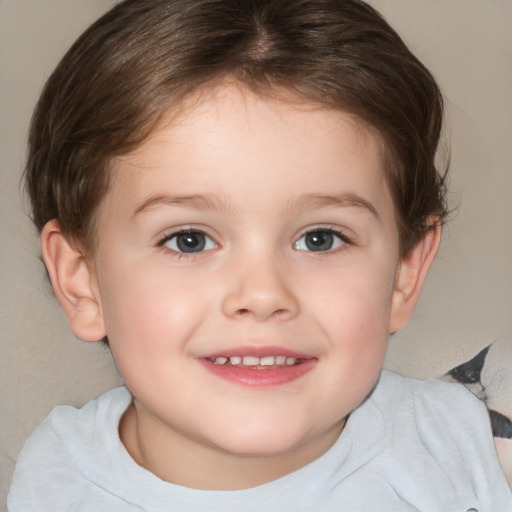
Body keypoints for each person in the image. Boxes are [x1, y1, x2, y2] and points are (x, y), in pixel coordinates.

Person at [7, 0, 512, 510]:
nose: (263, 294)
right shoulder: (55, 483)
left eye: (321, 238)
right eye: (189, 240)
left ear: (405, 272)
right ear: (82, 282)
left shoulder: (476, 449)